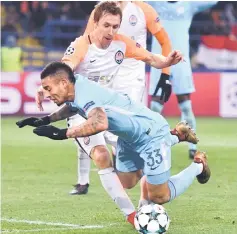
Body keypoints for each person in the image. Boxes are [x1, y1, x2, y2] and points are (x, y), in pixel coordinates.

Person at [33, 1, 183, 226]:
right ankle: (132, 217)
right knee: (102, 156)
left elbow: (151, 58)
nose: (112, 31)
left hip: (109, 112)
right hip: (80, 111)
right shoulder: (81, 45)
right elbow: (65, 67)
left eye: (116, 26)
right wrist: (44, 87)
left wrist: (167, 62)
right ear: (95, 23)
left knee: (135, 168)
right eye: (107, 25)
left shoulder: (122, 44)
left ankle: (149, 191)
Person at [16, 62, 210, 226]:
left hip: (152, 135)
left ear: (64, 82)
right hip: (130, 138)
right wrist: (46, 120)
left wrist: (62, 133)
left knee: (159, 196)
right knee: (126, 181)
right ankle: (177, 136)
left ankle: (198, 165)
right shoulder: (76, 88)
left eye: (49, 89)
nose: (47, 94)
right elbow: (73, 107)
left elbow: (100, 122)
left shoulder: (85, 94)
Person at [70, 0, 173, 195]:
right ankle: (83, 181)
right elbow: (87, 40)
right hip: (105, 71)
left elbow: (164, 42)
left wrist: (166, 74)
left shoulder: (143, 10)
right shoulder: (101, 10)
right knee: (85, 118)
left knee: (126, 129)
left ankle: (135, 175)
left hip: (132, 76)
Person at [148, 1, 217, 159]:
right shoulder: (155, 3)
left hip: (181, 62)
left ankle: (192, 146)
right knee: (155, 106)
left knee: (185, 106)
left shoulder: (190, 4)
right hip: (159, 60)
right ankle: (153, 143)